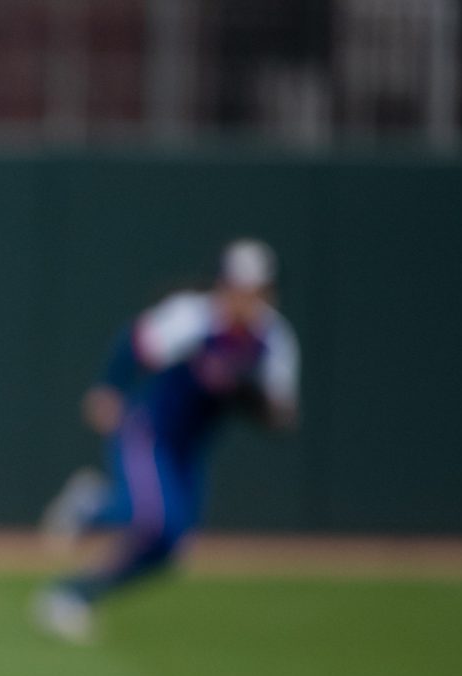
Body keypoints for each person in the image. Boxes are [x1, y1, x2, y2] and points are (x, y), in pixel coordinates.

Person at [33, 238, 301, 643]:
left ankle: (74, 595)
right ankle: (91, 508)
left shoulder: (273, 341)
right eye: (237, 288)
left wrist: (250, 396)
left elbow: (281, 416)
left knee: (169, 547)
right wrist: (110, 388)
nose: (245, 299)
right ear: (222, 285)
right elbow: (137, 342)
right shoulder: (196, 319)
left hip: (189, 450)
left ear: (268, 293)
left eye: (255, 291)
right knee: (153, 519)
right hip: (149, 432)